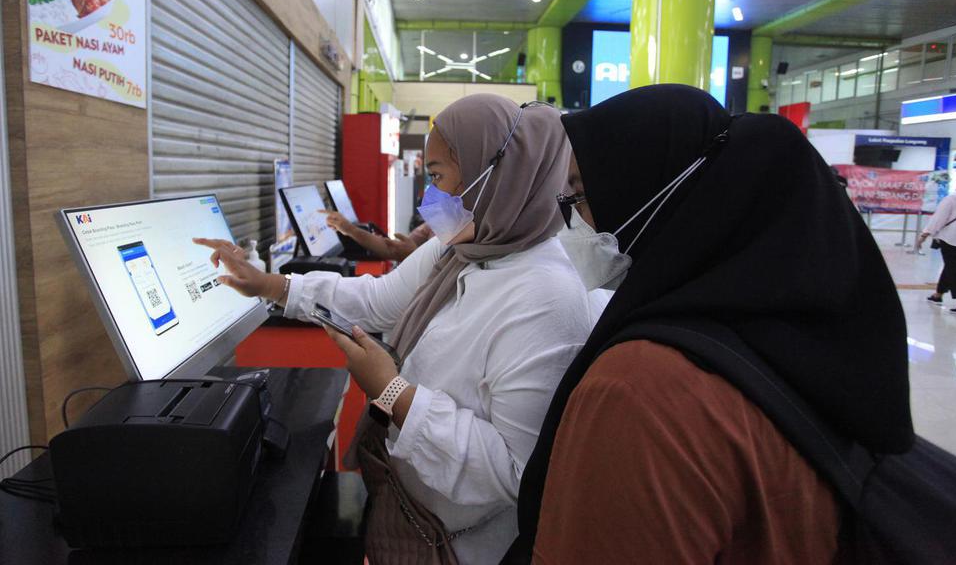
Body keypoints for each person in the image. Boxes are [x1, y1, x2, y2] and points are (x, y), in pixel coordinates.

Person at [504, 85, 913, 564]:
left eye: (581, 193)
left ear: (652, 192)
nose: (576, 221)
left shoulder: (643, 390)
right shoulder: (819, 350)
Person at [197, 94, 593, 564]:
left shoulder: (547, 298)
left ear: (493, 177)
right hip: (405, 508)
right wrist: (273, 285)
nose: (431, 198)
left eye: (439, 177)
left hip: (457, 545)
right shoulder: (463, 248)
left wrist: (392, 392)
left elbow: (516, 472)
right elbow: (376, 301)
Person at [322, 209, 433, 262]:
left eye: (437, 176)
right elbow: (392, 249)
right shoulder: (437, 222)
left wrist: (414, 255)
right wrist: (349, 229)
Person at [917, 180, 956, 313]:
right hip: (955, 239)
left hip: (952, 239)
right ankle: (938, 294)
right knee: (951, 266)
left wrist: (925, 234)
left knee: (954, 269)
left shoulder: (952, 199)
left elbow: (939, 218)